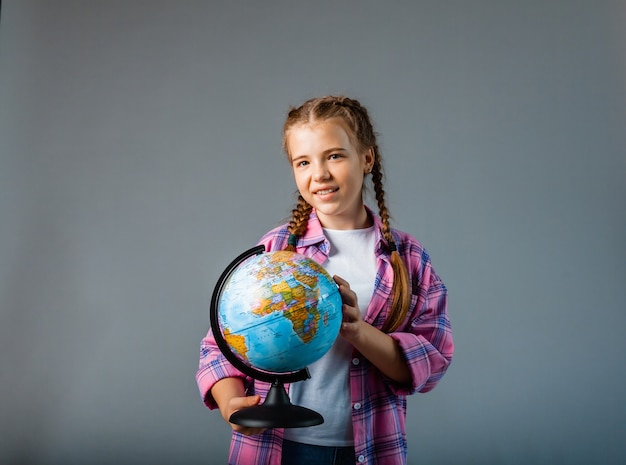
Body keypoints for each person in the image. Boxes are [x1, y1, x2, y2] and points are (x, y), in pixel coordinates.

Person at [196, 95, 454, 465]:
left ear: (367, 158)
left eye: (334, 155)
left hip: (369, 449)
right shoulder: (276, 250)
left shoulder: (408, 259)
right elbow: (220, 346)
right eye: (304, 162)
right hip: (279, 448)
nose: (319, 174)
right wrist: (230, 404)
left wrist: (357, 330)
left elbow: (431, 361)